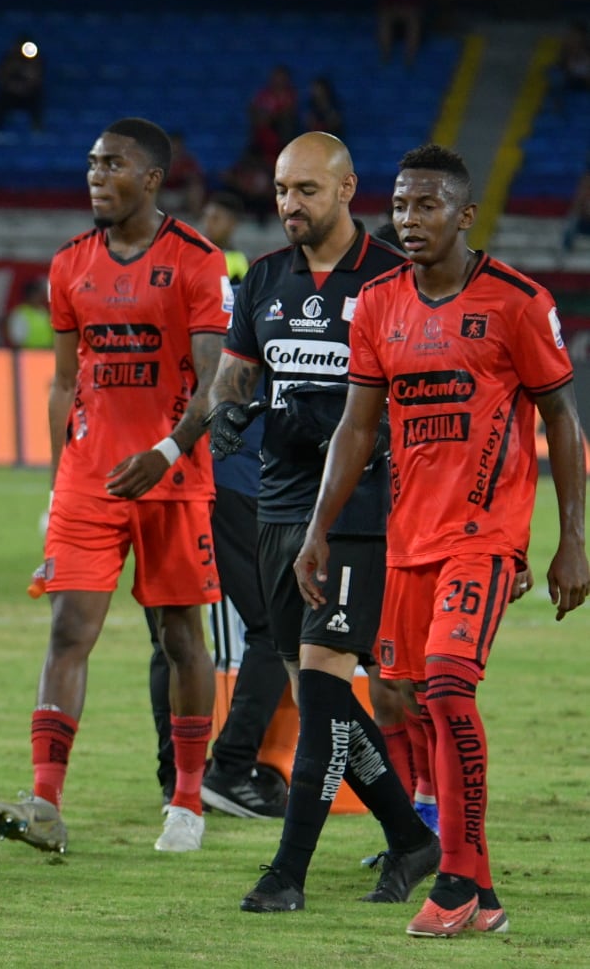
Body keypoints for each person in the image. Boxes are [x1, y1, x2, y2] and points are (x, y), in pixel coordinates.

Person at [296, 143, 588, 937]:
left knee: (451, 686)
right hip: (405, 544)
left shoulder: (517, 302)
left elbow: (561, 418)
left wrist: (572, 539)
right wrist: (318, 530)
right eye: (399, 206)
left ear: (464, 216)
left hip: (482, 538)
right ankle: (482, 896)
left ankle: (456, 876)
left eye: (426, 207)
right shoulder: (381, 303)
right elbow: (358, 426)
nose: (409, 220)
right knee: (408, 697)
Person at [209, 133, 440, 913]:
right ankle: (412, 839)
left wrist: (336, 417)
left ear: (346, 189)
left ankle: (288, 874)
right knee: (324, 700)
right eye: (280, 190)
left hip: (357, 514)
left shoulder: (392, 280)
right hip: (276, 505)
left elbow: (410, 398)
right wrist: (230, 413)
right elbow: (235, 375)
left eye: (306, 189)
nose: (289, 205)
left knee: (324, 684)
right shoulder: (264, 278)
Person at [0, 118, 226, 855]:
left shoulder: (198, 261)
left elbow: (218, 381)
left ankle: (186, 800)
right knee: (67, 631)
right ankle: (46, 802)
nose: (94, 175)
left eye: (111, 164)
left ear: (151, 179)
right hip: (91, 479)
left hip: (174, 477)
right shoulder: (69, 266)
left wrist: (168, 448)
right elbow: (64, 383)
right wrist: (60, 482)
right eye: (90, 163)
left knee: (181, 637)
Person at [140, 191, 284, 819]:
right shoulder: (257, 289)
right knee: (275, 630)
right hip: (231, 477)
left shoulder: (170, 287)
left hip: (171, 472)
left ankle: (179, 775)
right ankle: (225, 768)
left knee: (171, 635)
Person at [0, 36, 44, 132]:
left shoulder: (36, 61)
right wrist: (13, 85)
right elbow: (2, 78)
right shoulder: (8, 58)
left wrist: (24, 85)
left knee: (38, 99)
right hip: (10, 93)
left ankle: (37, 130)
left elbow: (37, 80)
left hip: (28, 94)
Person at [4, 276, 51, 349]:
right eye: (37, 294)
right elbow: (16, 340)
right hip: (29, 354)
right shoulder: (20, 313)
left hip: (46, 354)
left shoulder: (43, 312)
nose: (41, 297)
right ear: (30, 295)